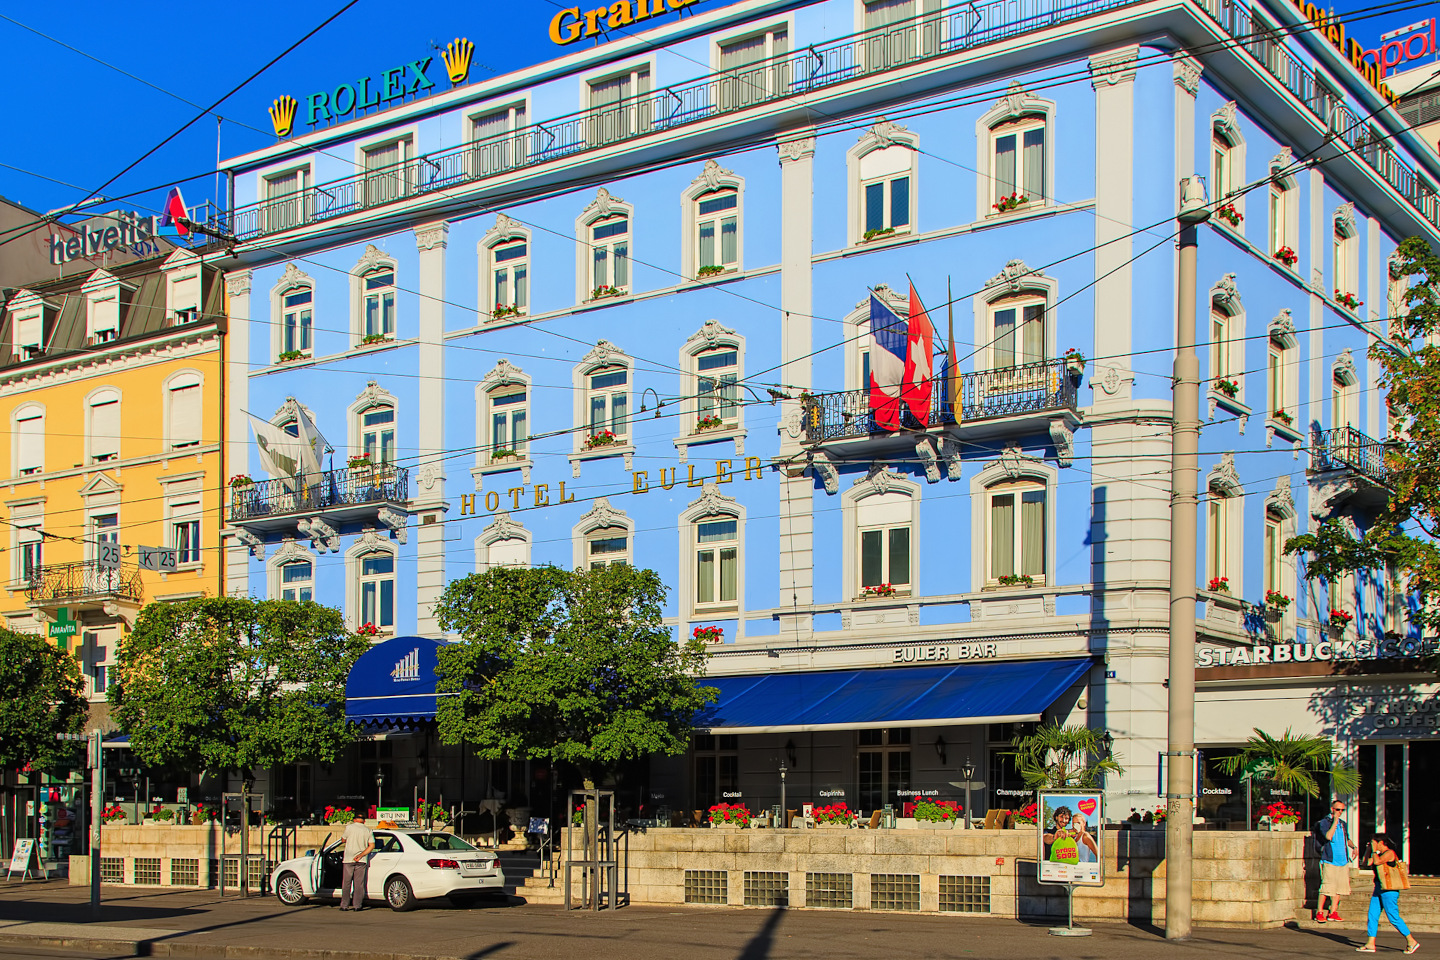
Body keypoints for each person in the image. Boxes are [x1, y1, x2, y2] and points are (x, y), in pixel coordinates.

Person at [1356, 833, 1420, 954]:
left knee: (1393, 917)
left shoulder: (1389, 853)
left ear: (1381, 843)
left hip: (1389, 890)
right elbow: (1365, 863)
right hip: (1378, 888)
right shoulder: (1377, 854)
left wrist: (1374, 851)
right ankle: (1370, 943)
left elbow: (1379, 862)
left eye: (1375, 843)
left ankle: (1411, 941)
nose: (1374, 845)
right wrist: (1369, 850)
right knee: (1372, 915)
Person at [1314, 799, 1357, 923]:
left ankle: (1333, 911)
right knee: (1326, 887)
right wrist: (1335, 821)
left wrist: (1353, 847)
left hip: (1342, 859)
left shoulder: (1343, 824)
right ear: (1332, 809)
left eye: (1342, 810)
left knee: (1339, 888)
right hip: (1329, 859)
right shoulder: (1324, 822)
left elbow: (1346, 838)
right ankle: (1320, 911)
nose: (1340, 812)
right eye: (1338, 809)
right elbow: (1328, 836)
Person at [339, 818, 374, 912]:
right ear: (364, 821)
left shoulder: (349, 828)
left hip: (348, 859)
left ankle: (344, 905)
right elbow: (372, 846)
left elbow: (343, 839)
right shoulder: (368, 830)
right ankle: (357, 905)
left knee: (346, 883)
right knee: (359, 884)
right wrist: (361, 855)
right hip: (361, 860)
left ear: (355, 819)